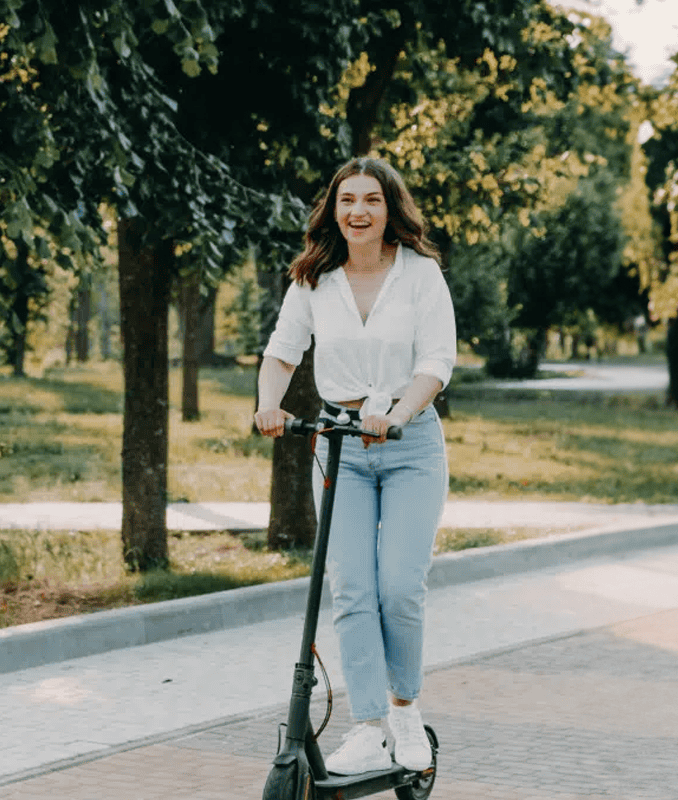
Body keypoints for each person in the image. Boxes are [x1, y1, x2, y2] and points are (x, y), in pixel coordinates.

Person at [252, 155, 455, 775]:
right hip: (338, 446)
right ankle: (367, 726)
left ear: (390, 209)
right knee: (351, 589)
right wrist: (269, 404)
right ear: (333, 211)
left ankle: (404, 712)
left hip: (410, 445)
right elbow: (282, 354)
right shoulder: (313, 278)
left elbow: (436, 363)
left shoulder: (421, 275)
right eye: (347, 201)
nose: (358, 212)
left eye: (371, 200)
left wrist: (397, 412)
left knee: (397, 587)